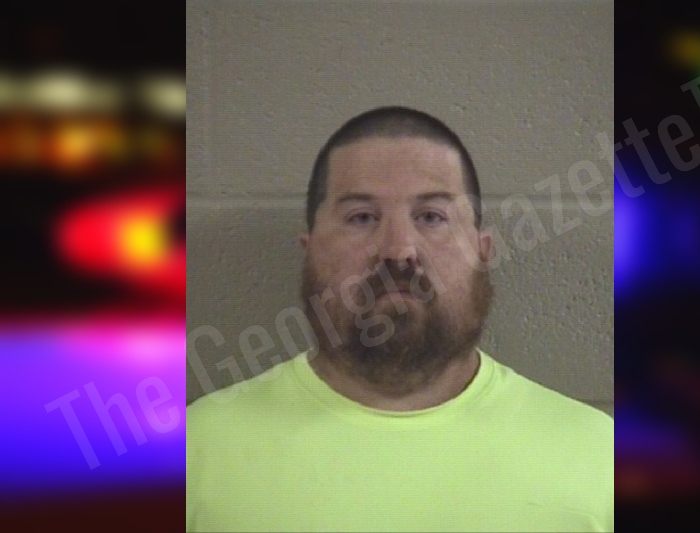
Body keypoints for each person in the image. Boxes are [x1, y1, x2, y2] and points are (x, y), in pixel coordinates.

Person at [186, 106, 613, 532]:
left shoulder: (600, 459)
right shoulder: (194, 453)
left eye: (431, 217)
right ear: (310, 250)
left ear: (482, 252)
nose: (398, 250)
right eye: (361, 217)